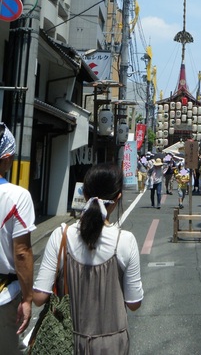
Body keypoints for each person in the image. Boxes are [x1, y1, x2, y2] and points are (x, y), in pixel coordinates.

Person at [33, 163, 143, 354]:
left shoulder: (62, 236)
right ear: (118, 198)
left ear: (84, 194)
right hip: (112, 345)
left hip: (67, 342)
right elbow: (134, 303)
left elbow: (39, 297)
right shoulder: (125, 241)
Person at [0, 122, 36, 354]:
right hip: (4, 295)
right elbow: (21, 253)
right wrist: (27, 298)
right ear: (5, 157)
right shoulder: (17, 196)